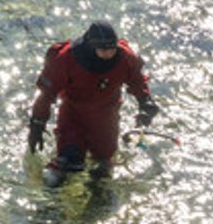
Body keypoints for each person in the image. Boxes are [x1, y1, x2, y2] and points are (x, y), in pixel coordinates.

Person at [25, 21, 161, 183]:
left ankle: (99, 201)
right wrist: (37, 124)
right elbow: (46, 95)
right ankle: (50, 201)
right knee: (69, 161)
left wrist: (145, 103)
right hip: (73, 115)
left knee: (102, 166)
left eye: (112, 49)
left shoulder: (125, 58)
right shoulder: (66, 59)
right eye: (104, 50)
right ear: (91, 47)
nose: (109, 54)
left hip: (106, 117)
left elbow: (137, 82)